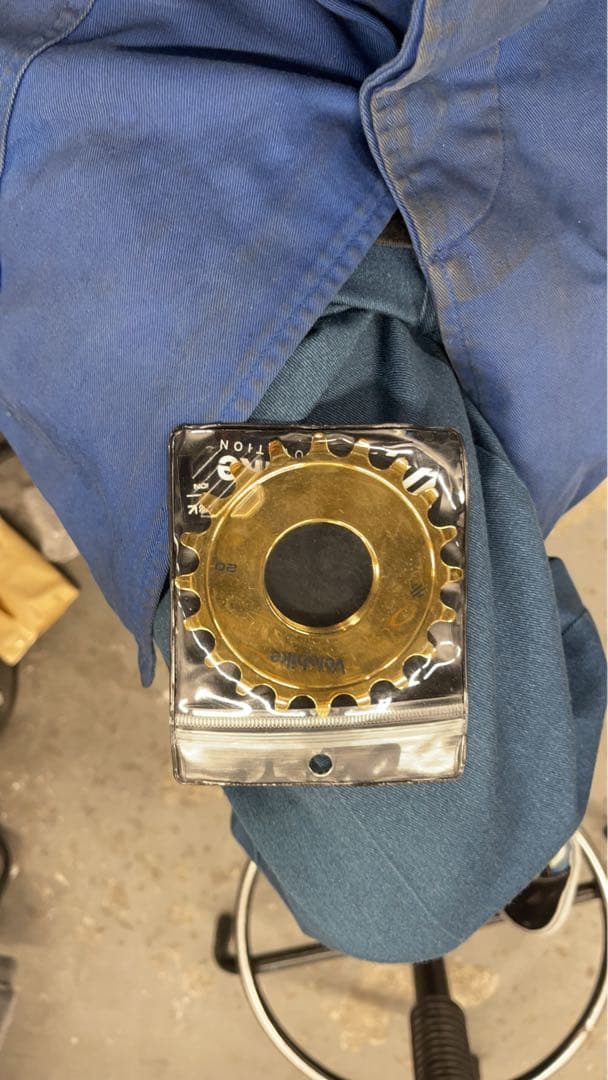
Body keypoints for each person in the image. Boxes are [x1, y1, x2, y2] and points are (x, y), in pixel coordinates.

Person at [0, 0, 605, 960]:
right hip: (221, 152)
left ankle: (508, 712)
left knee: (408, 863)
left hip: (205, 171)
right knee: (409, 863)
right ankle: (507, 691)